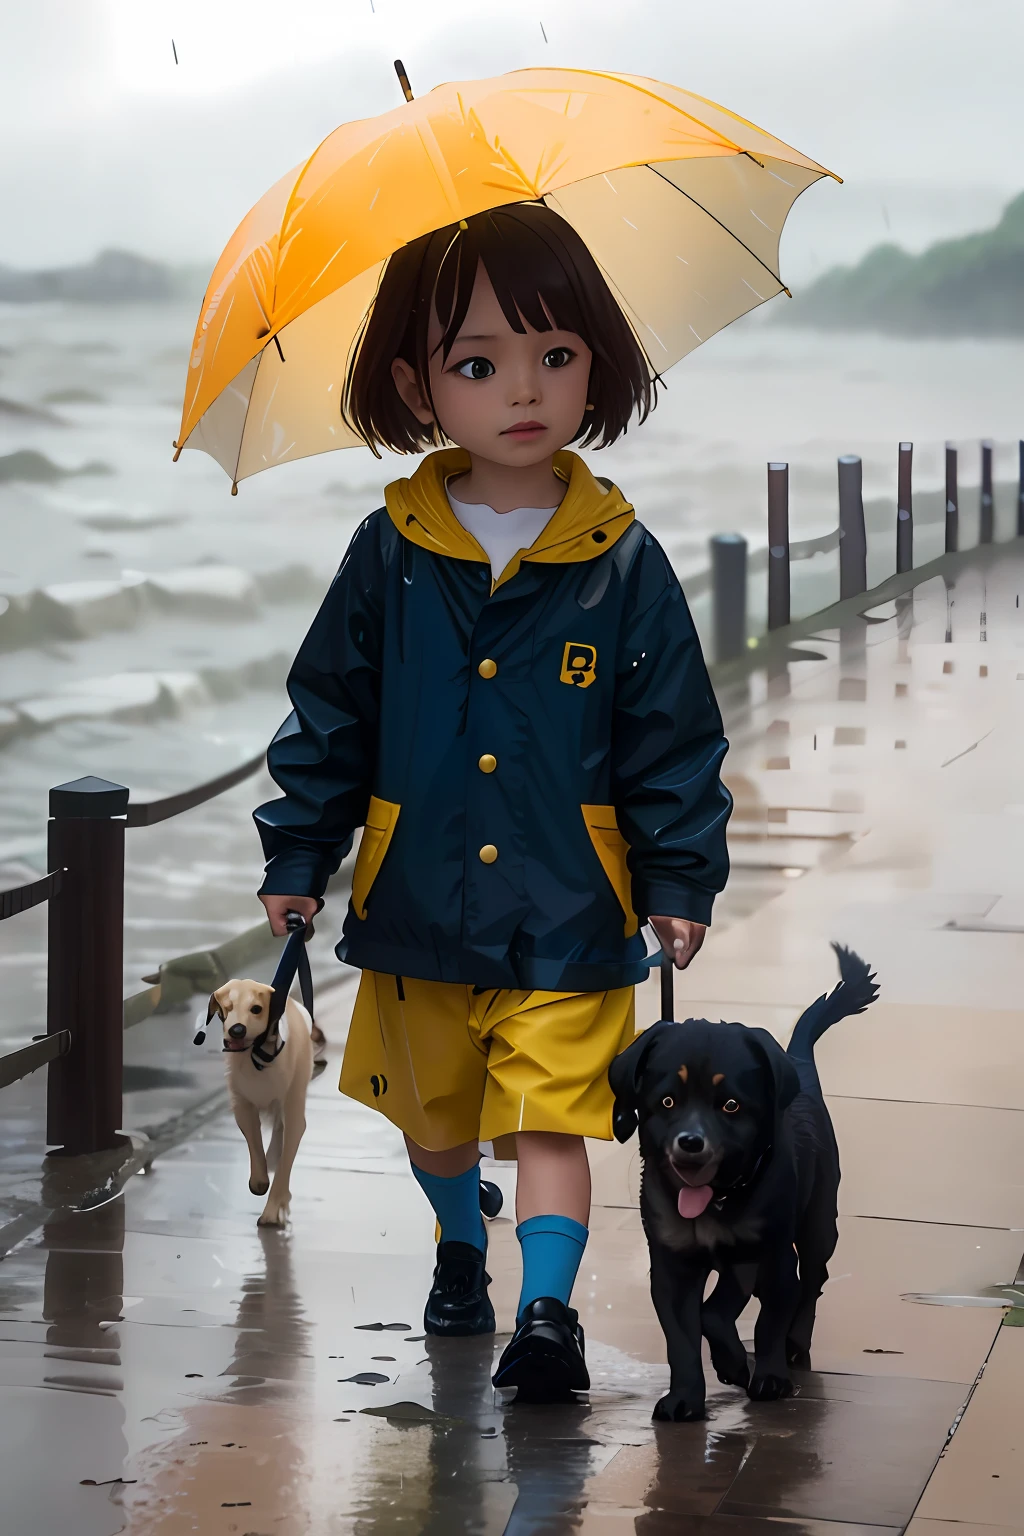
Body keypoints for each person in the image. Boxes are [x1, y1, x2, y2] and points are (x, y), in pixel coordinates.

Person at [254, 202, 732, 1401]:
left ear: (597, 366)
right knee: (438, 1125)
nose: (523, 389)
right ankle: (458, 1247)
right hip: (419, 897)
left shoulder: (621, 559)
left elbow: (671, 734)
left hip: (569, 898)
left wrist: (676, 877)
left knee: (552, 1117)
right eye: (479, 363)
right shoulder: (390, 552)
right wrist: (299, 852)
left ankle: (548, 1316)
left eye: (555, 356)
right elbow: (329, 713)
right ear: (417, 385)